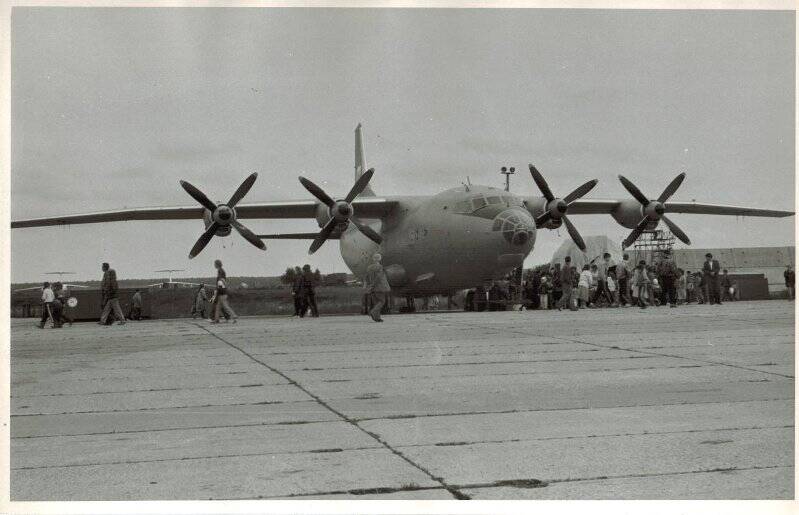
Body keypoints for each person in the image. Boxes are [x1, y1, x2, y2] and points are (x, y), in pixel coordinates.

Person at [364, 253, 391, 322]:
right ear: (379, 259)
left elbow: (366, 277)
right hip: (379, 287)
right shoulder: (380, 267)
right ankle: (373, 312)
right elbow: (378, 278)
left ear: (373, 259)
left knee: (376, 303)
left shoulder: (369, 267)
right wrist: (373, 285)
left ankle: (377, 318)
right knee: (382, 301)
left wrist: (367, 286)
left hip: (371, 288)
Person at [211, 259, 237, 323]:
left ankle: (234, 316)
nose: (214, 265)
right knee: (218, 306)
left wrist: (223, 287)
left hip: (222, 292)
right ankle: (216, 319)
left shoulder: (220, 271)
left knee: (225, 306)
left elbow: (222, 280)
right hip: (221, 291)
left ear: (217, 264)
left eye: (215, 264)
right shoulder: (221, 270)